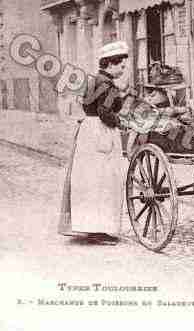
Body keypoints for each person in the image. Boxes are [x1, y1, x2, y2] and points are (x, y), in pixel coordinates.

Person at [58, 41, 130, 244]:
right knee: (104, 181)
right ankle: (99, 230)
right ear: (111, 64)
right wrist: (121, 123)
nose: (123, 70)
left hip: (89, 132)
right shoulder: (106, 85)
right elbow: (105, 113)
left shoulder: (94, 81)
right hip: (101, 132)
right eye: (121, 66)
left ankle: (90, 226)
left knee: (89, 180)